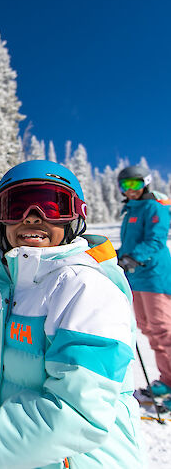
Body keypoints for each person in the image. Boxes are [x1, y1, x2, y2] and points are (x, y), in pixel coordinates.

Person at [0, 160, 144, 469]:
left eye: (52, 205)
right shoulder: (22, 288)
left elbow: (76, 415)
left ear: (76, 216)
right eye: (15, 207)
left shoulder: (85, 288)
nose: (32, 217)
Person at [117, 164, 171, 408]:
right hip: (136, 277)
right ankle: (166, 381)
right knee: (148, 329)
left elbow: (156, 240)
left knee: (162, 331)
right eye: (125, 185)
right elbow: (129, 245)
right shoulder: (130, 211)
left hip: (154, 277)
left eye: (135, 184)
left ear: (145, 182)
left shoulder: (153, 207)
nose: (130, 190)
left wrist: (133, 257)